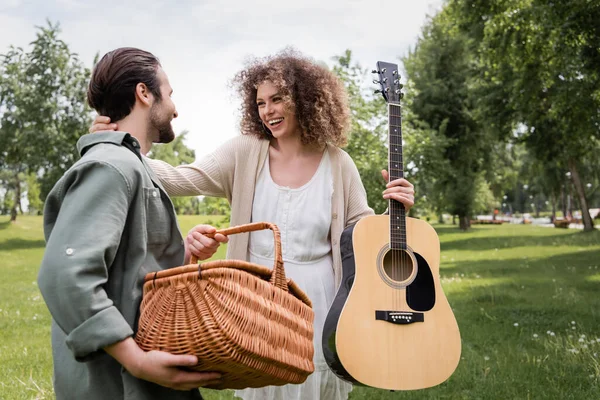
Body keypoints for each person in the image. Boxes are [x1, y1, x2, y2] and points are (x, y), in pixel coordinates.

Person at [90, 49, 415, 400]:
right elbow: (181, 179)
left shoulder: (339, 163)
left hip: (319, 301)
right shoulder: (245, 152)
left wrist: (396, 212)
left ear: (305, 99)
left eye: (277, 99)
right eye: (260, 103)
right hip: (257, 301)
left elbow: (363, 234)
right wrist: (118, 145)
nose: (268, 111)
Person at [37, 47, 222, 400]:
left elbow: (132, 270)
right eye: (168, 94)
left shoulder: (128, 165)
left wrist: (182, 254)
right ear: (144, 93)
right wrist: (136, 360)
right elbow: (65, 273)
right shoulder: (111, 167)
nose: (174, 108)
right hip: (118, 385)